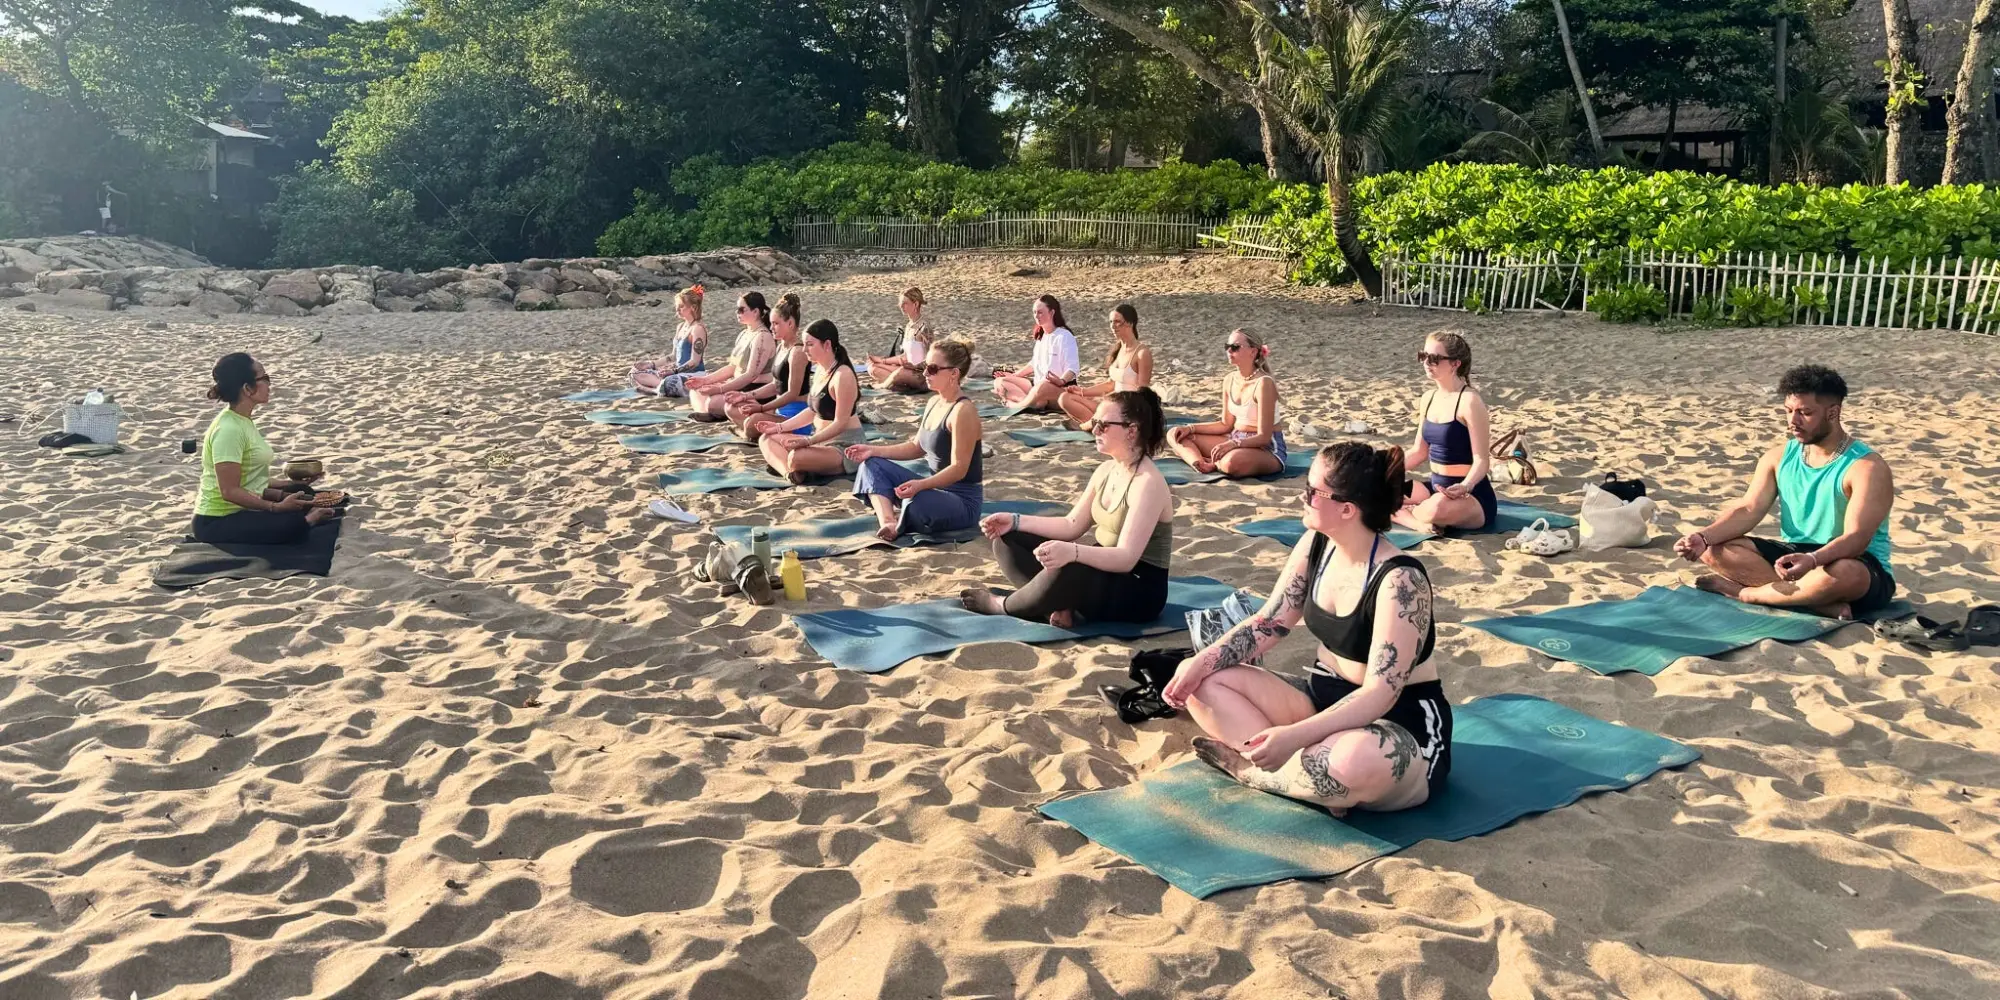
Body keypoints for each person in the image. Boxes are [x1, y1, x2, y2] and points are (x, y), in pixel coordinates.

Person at [1161, 441, 1449, 816]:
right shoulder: (1316, 543)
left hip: (1397, 725)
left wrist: (1293, 737)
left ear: (1347, 509)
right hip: (1321, 700)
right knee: (1204, 683)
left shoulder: (1400, 581)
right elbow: (1270, 622)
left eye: (1313, 492)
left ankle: (1262, 774)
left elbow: (1380, 693)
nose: (1302, 497)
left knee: (1353, 762)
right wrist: (1201, 662)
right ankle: (1308, 779)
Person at [1674, 364, 1897, 619]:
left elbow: (1857, 538)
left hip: (1854, 560)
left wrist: (1813, 560)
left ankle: (1749, 594)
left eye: (1805, 412)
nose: (1793, 421)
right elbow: (1749, 509)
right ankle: (1815, 603)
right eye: (1789, 411)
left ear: (1833, 413)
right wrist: (1703, 537)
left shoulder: (1866, 467)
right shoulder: (1778, 457)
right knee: (1715, 550)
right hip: (1793, 556)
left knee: (1846, 573)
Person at [961, 388, 1174, 628]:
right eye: (1094, 422)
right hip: (1103, 572)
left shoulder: (1148, 483)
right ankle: (1056, 606)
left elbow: (1126, 558)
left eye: (1103, 425)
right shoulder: (1106, 471)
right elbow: (1071, 524)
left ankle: (1003, 605)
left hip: (1138, 589)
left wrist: (1073, 553)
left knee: (1068, 568)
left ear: (1131, 430)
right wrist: (1015, 520)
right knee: (1008, 539)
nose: (1094, 430)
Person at [191, 353, 340, 544]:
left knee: (302, 491)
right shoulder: (228, 430)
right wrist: (275, 507)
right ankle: (308, 520)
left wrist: (288, 486)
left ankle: (302, 515)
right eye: (265, 378)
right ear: (247, 388)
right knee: (289, 524)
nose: (270, 385)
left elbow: (250, 480)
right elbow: (229, 491)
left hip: (243, 510)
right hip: (217, 520)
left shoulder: (243, 420)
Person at [845, 338, 984, 541]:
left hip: (962, 502)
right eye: (924, 367)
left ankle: (904, 517)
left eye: (933, 369)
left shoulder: (963, 411)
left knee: (916, 500)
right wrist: (872, 450)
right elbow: (916, 447)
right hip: (935, 491)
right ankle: (889, 523)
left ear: (954, 373)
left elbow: (959, 468)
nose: (925, 373)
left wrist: (921, 485)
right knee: (871, 466)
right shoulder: (934, 402)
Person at [1394, 330, 1495, 533]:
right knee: (1373, 493)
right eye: (1423, 356)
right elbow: (1419, 452)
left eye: (1434, 359)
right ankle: (1417, 522)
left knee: (1437, 507)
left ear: (1455, 363)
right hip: (1434, 487)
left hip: (1469, 495)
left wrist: (1466, 486)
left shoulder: (1470, 401)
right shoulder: (1429, 398)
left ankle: (1410, 513)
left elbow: (1482, 460)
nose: (1426, 363)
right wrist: (1384, 471)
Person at [753, 319, 866, 484]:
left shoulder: (843, 375)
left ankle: (795, 467)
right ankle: (791, 474)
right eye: (804, 344)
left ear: (827, 345)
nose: (804, 349)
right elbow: (812, 411)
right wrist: (779, 427)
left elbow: (840, 423)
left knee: (796, 457)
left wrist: (808, 441)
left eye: (810, 344)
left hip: (844, 447)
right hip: (820, 441)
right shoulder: (820, 369)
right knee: (766, 438)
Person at [1166, 328, 1285, 478]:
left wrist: (1233, 444)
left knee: (1232, 462)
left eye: (1235, 347)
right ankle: (1200, 464)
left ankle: (1215, 463)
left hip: (1264, 448)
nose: (1229, 351)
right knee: (1175, 434)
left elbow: (1264, 437)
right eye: (1227, 347)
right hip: (1235, 437)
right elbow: (1225, 424)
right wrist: (1190, 428)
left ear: (1253, 352)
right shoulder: (1229, 379)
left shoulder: (1263, 383)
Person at [724, 293, 810, 440]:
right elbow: (775, 384)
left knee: (752, 423)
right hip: (778, 412)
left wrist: (762, 408)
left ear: (790, 323)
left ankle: (748, 434)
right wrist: (744, 395)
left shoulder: (797, 352)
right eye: (771, 323)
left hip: (796, 419)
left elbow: (792, 394)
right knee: (733, 407)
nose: (772, 328)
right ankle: (751, 433)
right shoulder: (781, 347)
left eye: (776, 323)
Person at [1058, 303, 1152, 430]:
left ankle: (1088, 426)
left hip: (1128, 409)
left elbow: (1143, 394)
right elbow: (1110, 384)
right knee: (1065, 398)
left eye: (1118, 322)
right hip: (1111, 405)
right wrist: (1082, 391)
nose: (1113, 326)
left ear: (1130, 323)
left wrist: (1116, 402)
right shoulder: (1119, 349)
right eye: (1111, 322)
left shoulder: (1142, 353)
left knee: (1106, 409)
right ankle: (1098, 424)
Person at [685, 292, 778, 419]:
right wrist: (705, 381)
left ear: (755, 311)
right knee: (697, 392)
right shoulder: (744, 334)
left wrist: (720, 389)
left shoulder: (762, 337)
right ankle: (712, 413)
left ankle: (715, 412)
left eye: (741, 309)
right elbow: (732, 367)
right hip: (739, 384)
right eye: (737, 309)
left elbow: (751, 375)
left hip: (755, 390)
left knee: (713, 402)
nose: (737, 313)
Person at [992, 294, 1078, 412]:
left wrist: (1061, 381)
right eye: (1034, 312)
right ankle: (1032, 402)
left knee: (1042, 387)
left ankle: (1016, 405)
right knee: (1000, 382)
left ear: (1052, 313)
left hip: (1057, 389)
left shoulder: (1064, 336)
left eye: (1040, 312)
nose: (1036, 316)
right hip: (1037, 387)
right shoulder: (1041, 337)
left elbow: (1072, 369)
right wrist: (1014, 376)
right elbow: (1034, 364)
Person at [631, 285, 709, 397]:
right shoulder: (680, 327)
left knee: (671, 381)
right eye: (677, 306)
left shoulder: (697, 329)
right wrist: (651, 365)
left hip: (693, 375)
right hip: (677, 372)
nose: (677, 310)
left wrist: (674, 371)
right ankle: (660, 386)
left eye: (681, 306)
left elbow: (695, 361)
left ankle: (656, 389)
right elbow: (673, 356)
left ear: (693, 307)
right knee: (636, 372)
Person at [864, 287, 938, 392]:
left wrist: (915, 366)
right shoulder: (909, 326)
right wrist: (882, 361)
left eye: (905, 303)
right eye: (900, 303)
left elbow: (932, 358)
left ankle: (892, 384)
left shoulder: (924, 327)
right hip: (908, 369)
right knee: (873, 367)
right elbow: (905, 356)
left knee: (901, 372)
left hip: (921, 374)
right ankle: (900, 385)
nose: (901, 306)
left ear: (916, 304)